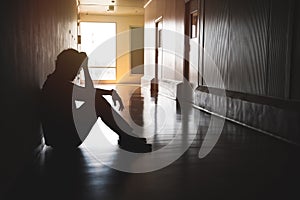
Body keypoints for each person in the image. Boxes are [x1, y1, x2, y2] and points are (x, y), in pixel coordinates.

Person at [41, 49, 151, 152]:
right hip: (64, 140)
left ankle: (127, 135)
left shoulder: (54, 82)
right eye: (76, 70)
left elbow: (88, 92)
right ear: (67, 67)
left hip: (60, 137)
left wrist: (109, 92)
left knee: (96, 100)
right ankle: (127, 137)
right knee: (97, 102)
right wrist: (86, 68)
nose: (77, 74)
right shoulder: (58, 85)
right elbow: (90, 92)